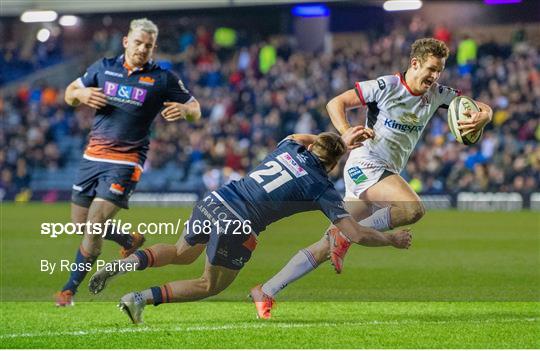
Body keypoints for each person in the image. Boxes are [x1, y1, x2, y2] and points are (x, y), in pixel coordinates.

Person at [255, 37, 493, 319]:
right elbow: (336, 103)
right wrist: (345, 131)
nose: (434, 76)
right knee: (412, 209)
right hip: (366, 163)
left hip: (383, 170)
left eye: (439, 70)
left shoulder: (438, 94)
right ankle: (343, 235)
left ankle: (266, 290)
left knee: (324, 246)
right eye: (431, 69)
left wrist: (485, 116)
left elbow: (478, 105)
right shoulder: (386, 86)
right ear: (414, 63)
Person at [88, 130, 412, 324]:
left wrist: (334, 140)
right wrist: (391, 240)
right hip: (239, 222)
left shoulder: (290, 148)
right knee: (209, 285)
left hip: (216, 199)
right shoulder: (321, 186)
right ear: (333, 164)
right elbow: (354, 233)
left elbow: (299, 138)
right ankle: (138, 299)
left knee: (180, 253)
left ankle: (121, 265)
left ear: (313, 147)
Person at [55, 18, 201, 307]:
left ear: (154, 47)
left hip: (127, 160)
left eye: (148, 45)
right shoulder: (103, 67)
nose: (142, 49)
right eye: (137, 42)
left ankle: (69, 290)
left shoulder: (162, 78)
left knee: (94, 223)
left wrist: (184, 110)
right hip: (92, 157)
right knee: (79, 223)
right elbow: (69, 94)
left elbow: (196, 109)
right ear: (126, 41)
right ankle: (126, 240)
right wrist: (81, 94)